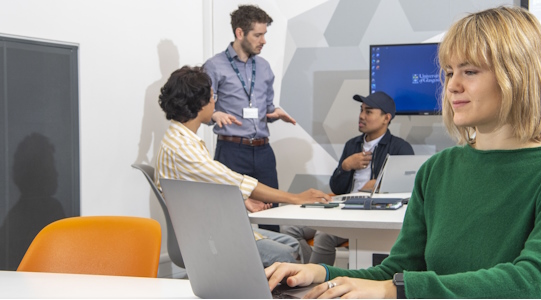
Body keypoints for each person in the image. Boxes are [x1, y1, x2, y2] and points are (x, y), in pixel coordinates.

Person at [264, 6, 541, 298]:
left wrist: (394, 290)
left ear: (518, 75)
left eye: (470, 71)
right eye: (450, 72)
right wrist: (323, 275)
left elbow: (533, 285)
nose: (452, 85)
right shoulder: (437, 170)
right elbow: (396, 273)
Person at [154, 66, 331, 267]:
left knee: (292, 244)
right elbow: (234, 179)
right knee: (285, 255)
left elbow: (206, 183)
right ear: (200, 103)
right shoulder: (183, 147)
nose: (215, 101)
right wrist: (295, 198)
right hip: (208, 235)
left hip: (209, 225)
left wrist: (241, 198)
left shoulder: (177, 138)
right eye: (213, 96)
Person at [281, 92, 414, 264]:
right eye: (361, 110)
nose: (361, 116)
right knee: (288, 228)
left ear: (386, 118)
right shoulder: (352, 144)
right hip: (343, 205)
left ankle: (316, 281)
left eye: (368, 112)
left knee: (324, 234)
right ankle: (306, 272)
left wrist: (379, 186)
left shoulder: (400, 148)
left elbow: (407, 189)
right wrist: (346, 166)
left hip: (371, 212)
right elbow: (337, 188)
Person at [202, 4, 291, 232]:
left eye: (264, 35)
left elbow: (266, 107)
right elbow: (201, 109)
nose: (263, 41)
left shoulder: (264, 67)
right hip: (231, 152)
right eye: (258, 35)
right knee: (231, 218)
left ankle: (273, 265)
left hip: (263, 153)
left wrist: (274, 113)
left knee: (271, 217)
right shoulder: (213, 66)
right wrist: (214, 114)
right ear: (240, 33)